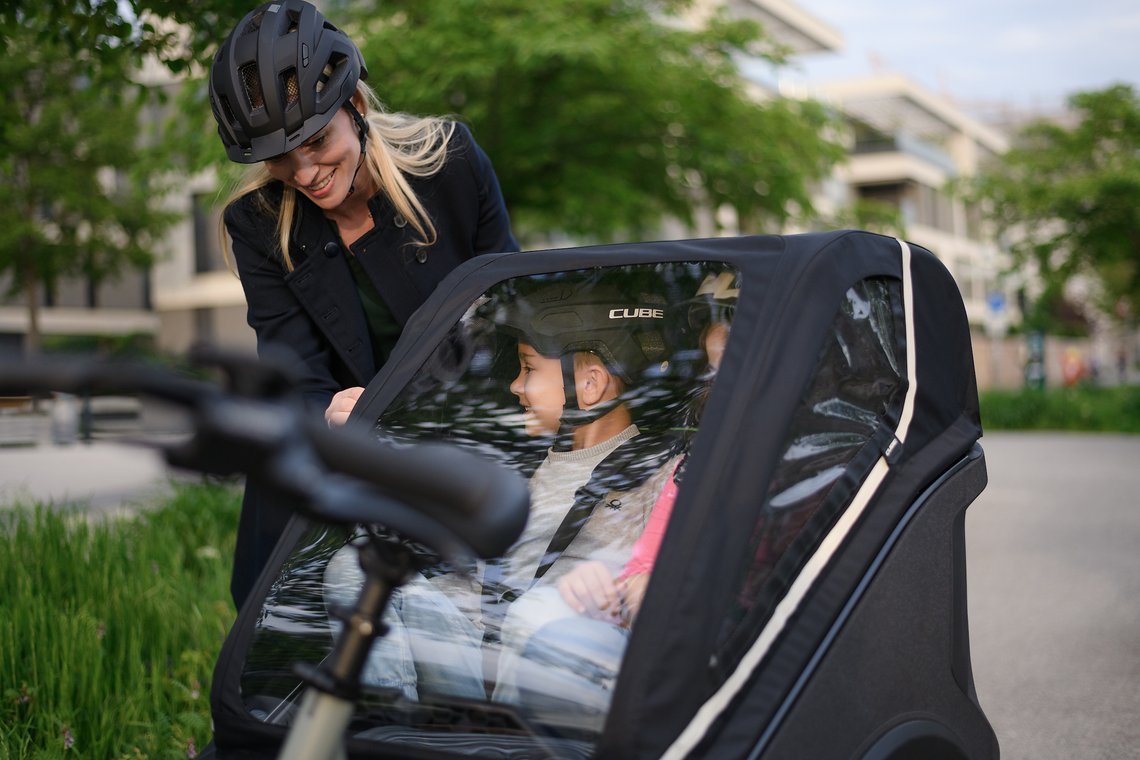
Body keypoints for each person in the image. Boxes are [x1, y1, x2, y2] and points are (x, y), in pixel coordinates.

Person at [208, 0, 519, 608]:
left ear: (355, 106)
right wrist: (325, 407)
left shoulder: (451, 164)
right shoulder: (257, 223)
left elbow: (507, 317)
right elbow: (289, 370)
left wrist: (399, 408)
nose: (304, 173)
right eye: (279, 158)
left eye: (318, 140)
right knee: (296, 643)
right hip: (337, 463)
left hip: (457, 446)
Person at [322, 279, 679, 707]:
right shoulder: (512, 457)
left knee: (536, 616)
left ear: (589, 385)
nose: (514, 386)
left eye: (528, 369)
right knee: (356, 566)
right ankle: (385, 735)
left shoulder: (661, 475)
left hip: (547, 666)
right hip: (465, 652)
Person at [555, 271, 736, 627]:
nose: (719, 395)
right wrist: (615, 587)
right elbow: (641, 567)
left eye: (729, 370)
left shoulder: (815, 468)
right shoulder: (688, 466)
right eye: (712, 374)